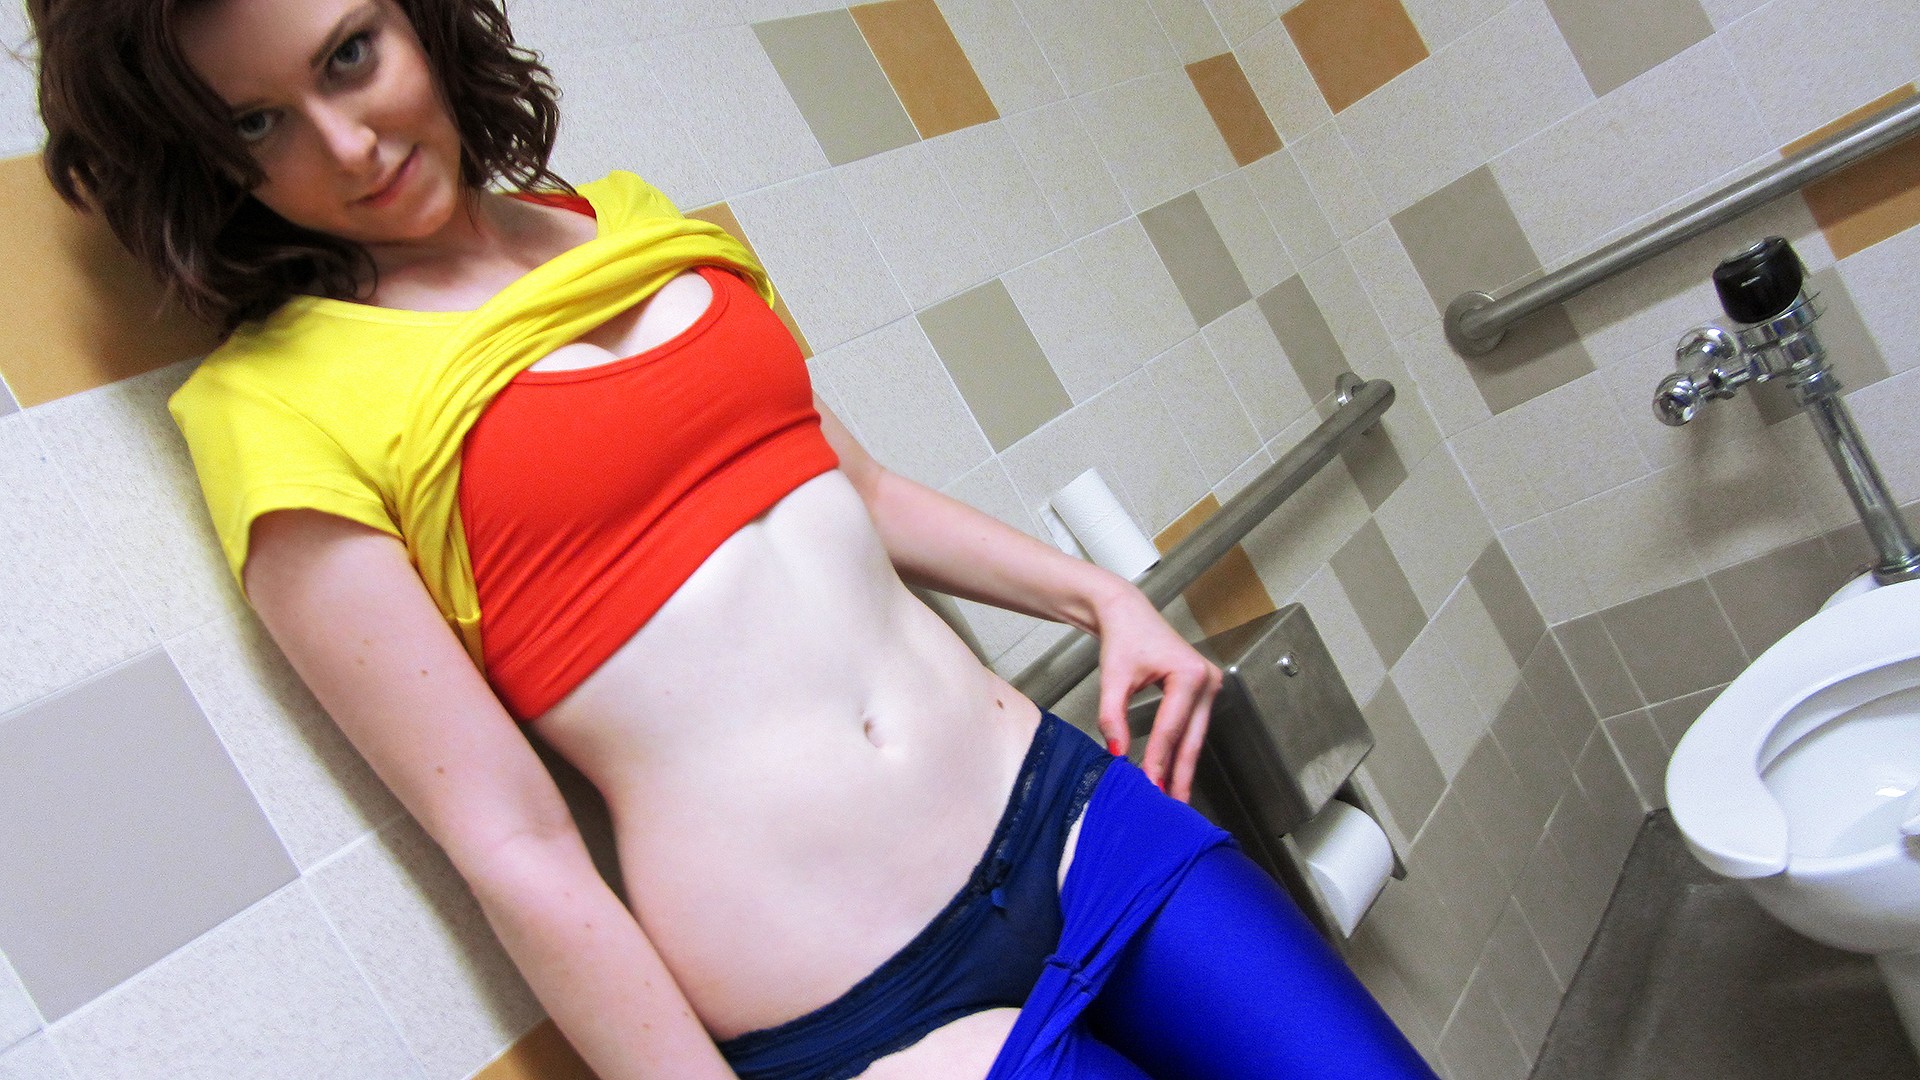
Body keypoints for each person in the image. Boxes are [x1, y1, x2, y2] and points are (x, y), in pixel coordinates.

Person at [30, 1, 1440, 1077]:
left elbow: (854, 490)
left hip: (1068, 814)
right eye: (256, 124)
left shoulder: (629, 219)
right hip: (863, 1003)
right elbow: (512, 842)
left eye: (351, 56)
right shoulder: (275, 406)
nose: (348, 145)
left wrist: (1101, 598)